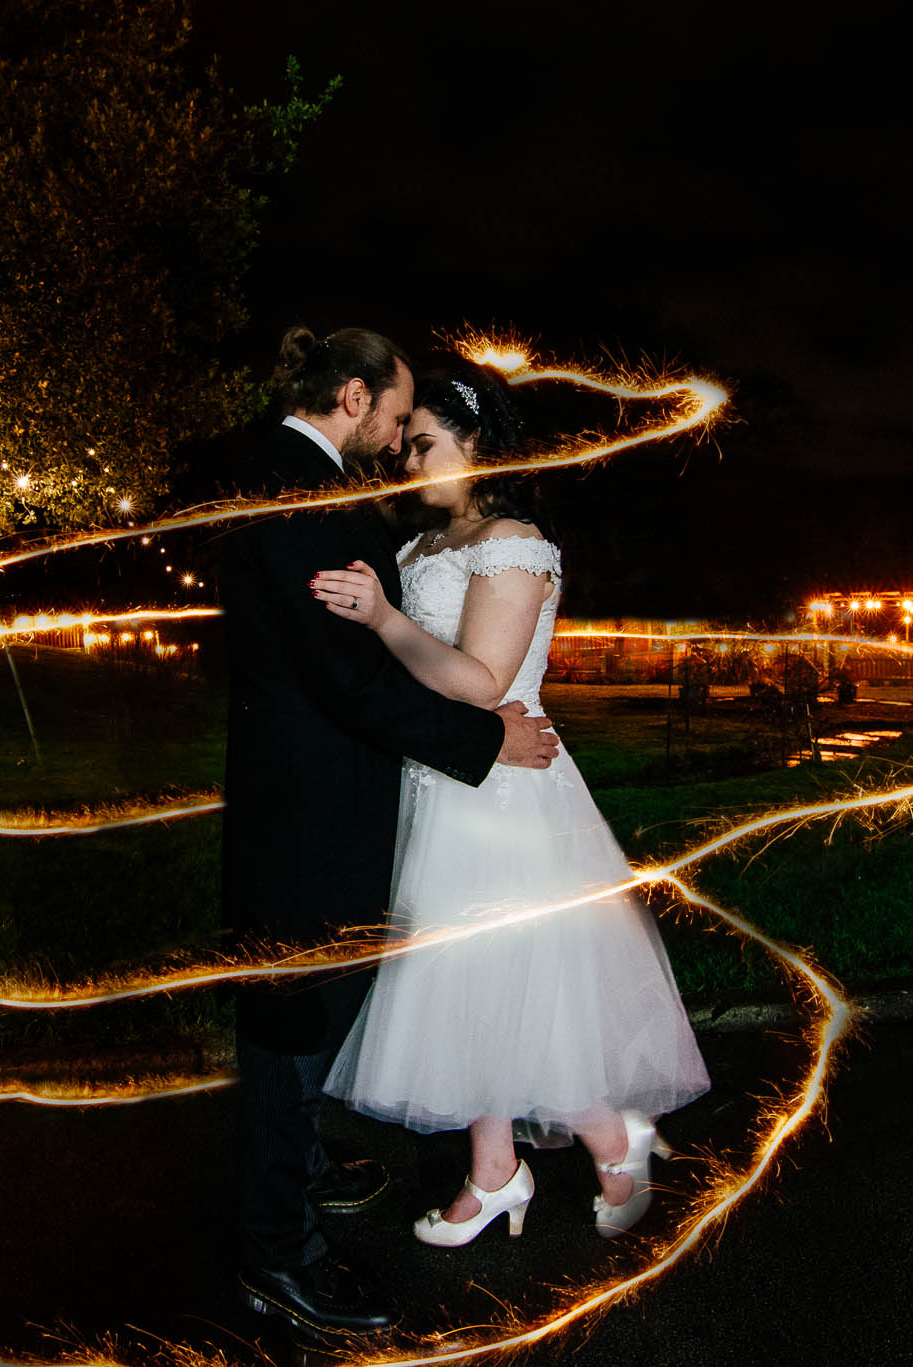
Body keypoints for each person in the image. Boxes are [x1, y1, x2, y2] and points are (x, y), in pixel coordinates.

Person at [313, 356, 710, 1246]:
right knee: (467, 988)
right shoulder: (419, 548)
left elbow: (483, 681)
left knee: (516, 984)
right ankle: (496, 1169)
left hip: (505, 795)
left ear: (476, 444)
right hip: (437, 786)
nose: (409, 464)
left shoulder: (515, 542)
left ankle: (614, 1141)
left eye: (423, 446)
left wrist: (382, 619)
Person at [220, 327, 561, 1348]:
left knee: (303, 1014)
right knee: (286, 1034)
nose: (396, 438)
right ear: (356, 397)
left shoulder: (292, 475)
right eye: (393, 417)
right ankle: (278, 1256)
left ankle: (311, 1176)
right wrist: (481, 739)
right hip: (305, 811)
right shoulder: (298, 489)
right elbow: (342, 677)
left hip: (314, 797)